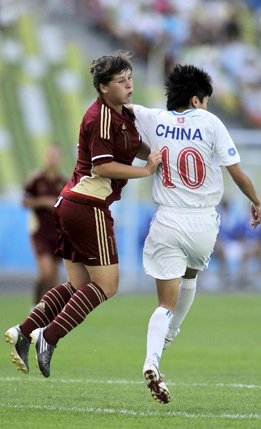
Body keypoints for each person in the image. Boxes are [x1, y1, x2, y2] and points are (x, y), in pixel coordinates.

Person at [4, 52, 162, 377]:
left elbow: (134, 145)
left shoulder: (122, 115)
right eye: (121, 81)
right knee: (107, 285)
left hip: (72, 204)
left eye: (130, 78)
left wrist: (160, 155)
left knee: (79, 286)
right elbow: (102, 165)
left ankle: (24, 330)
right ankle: (47, 337)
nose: (130, 85)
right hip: (87, 206)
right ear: (103, 87)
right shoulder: (101, 117)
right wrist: (147, 170)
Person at [127, 64, 261, 404]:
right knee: (191, 275)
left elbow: (120, 110)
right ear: (195, 99)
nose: (208, 106)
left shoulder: (152, 117)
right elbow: (238, 174)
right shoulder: (211, 123)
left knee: (163, 303)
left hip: (167, 220)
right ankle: (169, 337)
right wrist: (256, 201)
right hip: (202, 223)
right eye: (206, 100)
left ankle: (153, 358)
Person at [22, 144, 67, 307]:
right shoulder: (36, 179)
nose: (53, 158)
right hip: (39, 232)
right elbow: (24, 201)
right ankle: (35, 305)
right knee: (46, 272)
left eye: (56, 155)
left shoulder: (64, 182)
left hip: (57, 234)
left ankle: (46, 311)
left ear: (60, 158)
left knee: (54, 279)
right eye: (50, 155)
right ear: (45, 157)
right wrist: (43, 201)